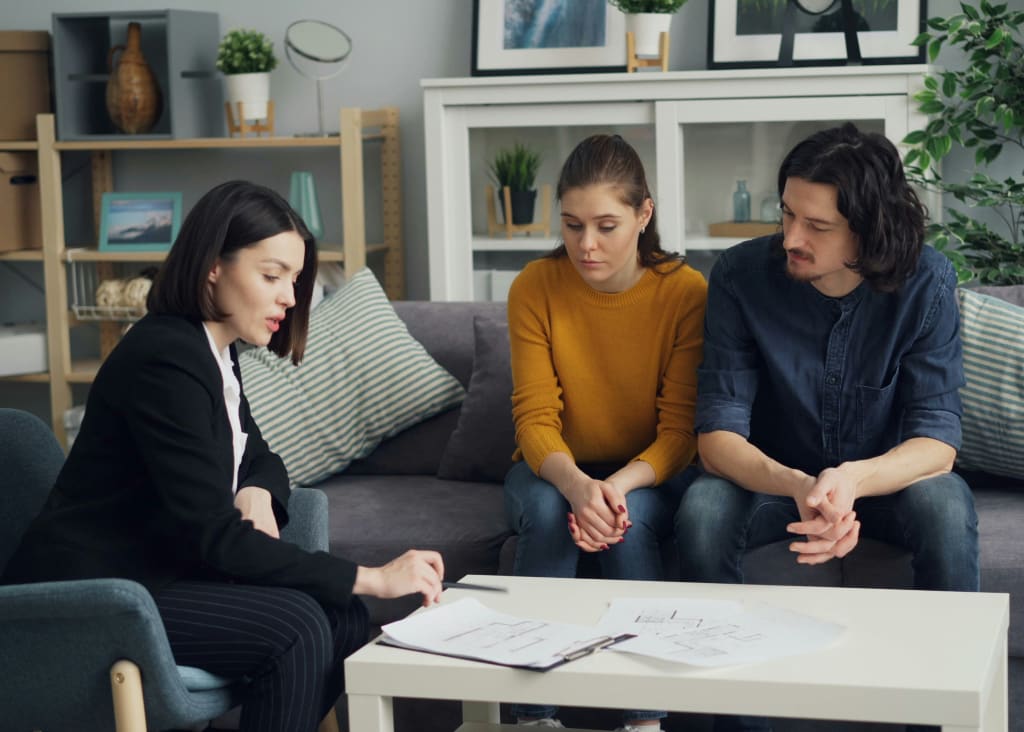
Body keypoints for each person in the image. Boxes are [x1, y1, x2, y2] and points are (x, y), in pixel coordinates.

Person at [1, 180, 445, 732]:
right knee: (303, 624)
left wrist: (256, 487)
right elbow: (213, 536)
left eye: (294, 279)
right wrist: (373, 576)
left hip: (157, 577)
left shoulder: (216, 353)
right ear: (214, 266)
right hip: (95, 596)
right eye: (271, 275)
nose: (289, 295)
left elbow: (261, 456)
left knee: (342, 616)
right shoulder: (167, 359)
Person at [675, 123, 979, 732]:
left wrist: (853, 481)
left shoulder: (927, 281)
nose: (791, 238)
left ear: (868, 229)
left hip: (884, 485)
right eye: (787, 214)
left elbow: (937, 440)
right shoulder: (738, 276)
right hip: (771, 483)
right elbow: (717, 438)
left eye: (816, 226)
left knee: (945, 506)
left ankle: (951, 713)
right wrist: (797, 484)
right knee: (703, 510)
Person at [504, 134, 707, 730]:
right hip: (551, 468)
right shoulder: (534, 288)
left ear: (644, 215)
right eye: (571, 226)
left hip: (646, 471)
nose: (585, 246)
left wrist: (611, 489)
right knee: (546, 515)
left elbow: (680, 432)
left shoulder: (685, 292)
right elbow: (536, 420)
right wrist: (576, 486)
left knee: (630, 522)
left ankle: (645, 721)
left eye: (606, 226)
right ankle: (532, 718)